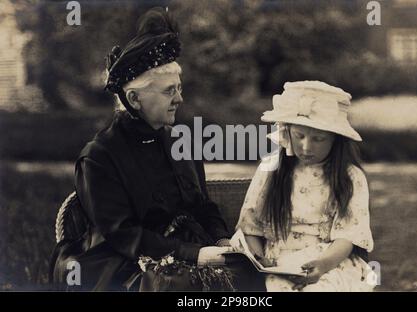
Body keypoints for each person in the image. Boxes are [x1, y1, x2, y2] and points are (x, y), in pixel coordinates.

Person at [50, 8, 239, 291]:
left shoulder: (180, 142)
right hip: (123, 263)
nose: (180, 99)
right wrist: (195, 255)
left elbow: (202, 206)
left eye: (179, 88)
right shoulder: (99, 157)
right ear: (134, 99)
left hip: (184, 252)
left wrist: (224, 243)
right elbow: (123, 235)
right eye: (168, 91)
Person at [236, 81, 376, 291]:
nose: (306, 147)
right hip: (278, 264)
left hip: (327, 262)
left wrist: (323, 265)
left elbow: (347, 237)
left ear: (336, 140)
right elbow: (250, 227)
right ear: (286, 132)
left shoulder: (350, 177)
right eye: (299, 136)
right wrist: (260, 259)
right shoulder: (271, 168)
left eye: (318, 139)